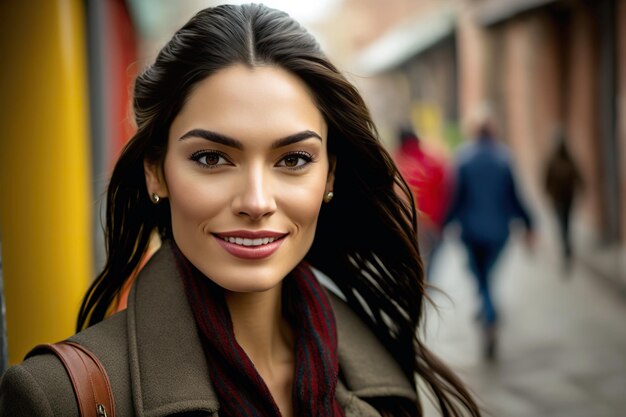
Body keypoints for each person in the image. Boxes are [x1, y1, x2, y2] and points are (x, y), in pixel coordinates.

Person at [0, 4, 481, 416]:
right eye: (211, 158)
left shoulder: (382, 360)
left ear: (329, 176)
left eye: (293, 160)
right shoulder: (57, 397)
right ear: (156, 172)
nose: (256, 201)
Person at [445, 118, 534, 360]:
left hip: (471, 231)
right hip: (498, 232)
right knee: (486, 275)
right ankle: (488, 309)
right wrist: (529, 224)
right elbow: (515, 196)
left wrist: (444, 223)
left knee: (481, 276)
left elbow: (456, 198)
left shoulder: (463, 158)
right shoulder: (504, 157)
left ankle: (488, 313)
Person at [394, 128, 451, 280]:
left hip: (405, 223)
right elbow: (446, 192)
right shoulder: (433, 162)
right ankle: (425, 281)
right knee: (430, 255)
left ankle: (413, 281)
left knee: (410, 257)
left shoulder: (395, 164)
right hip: (431, 223)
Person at [544, 130, 583, 272]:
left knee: (565, 223)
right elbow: (546, 180)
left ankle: (566, 246)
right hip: (559, 199)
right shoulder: (552, 160)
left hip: (566, 198)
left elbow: (578, 175)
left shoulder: (567, 159)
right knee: (563, 224)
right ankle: (566, 247)